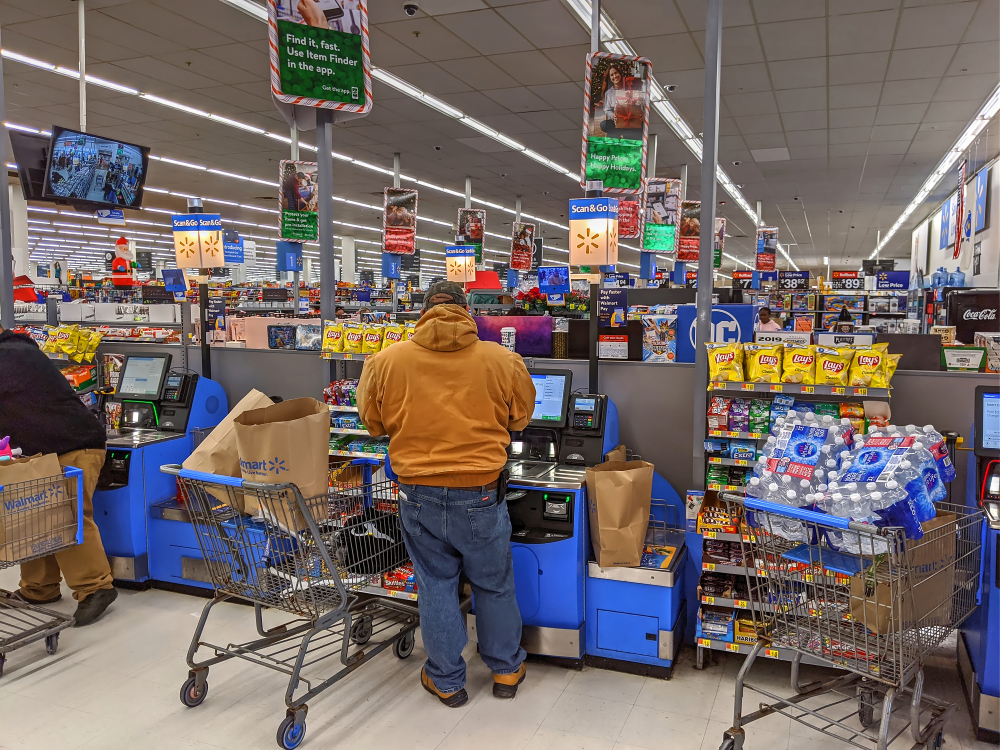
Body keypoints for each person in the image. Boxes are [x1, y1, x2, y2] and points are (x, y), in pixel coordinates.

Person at [357, 281, 535, 708]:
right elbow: (522, 417)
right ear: (465, 309)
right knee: (493, 582)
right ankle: (506, 668)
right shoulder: (502, 359)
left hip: (417, 493)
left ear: (421, 311)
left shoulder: (385, 361)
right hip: (481, 493)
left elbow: (372, 424)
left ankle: (447, 680)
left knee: (436, 584)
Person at [0, 327, 117, 626]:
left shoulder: (12, 355)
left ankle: (96, 587)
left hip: (73, 444)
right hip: (44, 447)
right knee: (34, 516)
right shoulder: (19, 350)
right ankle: (39, 588)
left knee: (68, 516)